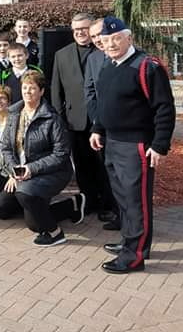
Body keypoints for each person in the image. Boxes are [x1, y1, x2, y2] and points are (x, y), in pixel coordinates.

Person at [90, 17, 175, 274]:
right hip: (112, 143)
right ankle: (131, 243)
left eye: (117, 38)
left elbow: (164, 108)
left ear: (129, 38)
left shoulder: (147, 67)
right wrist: (97, 128)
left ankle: (134, 258)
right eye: (106, 41)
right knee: (124, 200)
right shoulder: (108, 66)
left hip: (136, 145)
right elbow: (104, 104)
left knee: (137, 203)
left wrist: (159, 145)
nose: (112, 44)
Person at [0, 70, 86, 246]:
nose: (28, 92)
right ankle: (70, 206)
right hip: (21, 173)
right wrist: (15, 171)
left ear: (42, 91)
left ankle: (55, 232)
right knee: (2, 209)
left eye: (33, 88)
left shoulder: (52, 118)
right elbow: (5, 147)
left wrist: (31, 169)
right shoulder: (13, 113)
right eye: (25, 87)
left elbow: (60, 154)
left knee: (32, 216)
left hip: (52, 172)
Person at [51, 12, 111, 217]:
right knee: (83, 165)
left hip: (101, 120)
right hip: (73, 121)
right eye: (76, 30)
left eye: (84, 30)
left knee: (102, 164)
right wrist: (60, 120)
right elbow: (56, 90)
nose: (80, 34)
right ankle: (89, 200)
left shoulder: (105, 49)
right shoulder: (62, 54)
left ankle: (108, 204)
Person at [84, 18, 119, 230]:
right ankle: (117, 213)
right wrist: (99, 122)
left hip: (126, 130)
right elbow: (89, 92)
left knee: (126, 177)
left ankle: (130, 219)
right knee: (109, 172)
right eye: (94, 36)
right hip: (102, 127)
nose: (97, 40)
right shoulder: (93, 59)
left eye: (100, 35)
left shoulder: (127, 57)